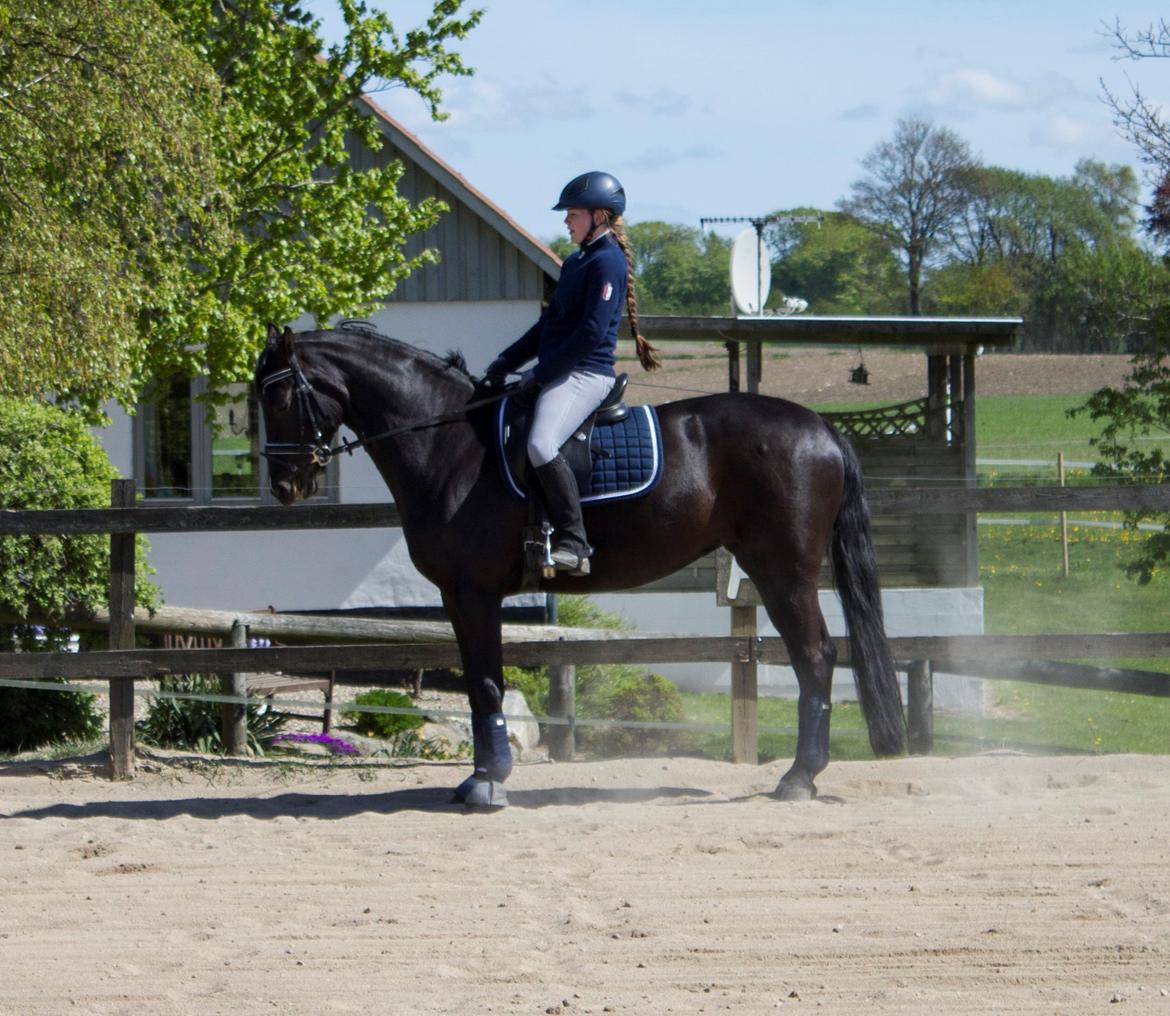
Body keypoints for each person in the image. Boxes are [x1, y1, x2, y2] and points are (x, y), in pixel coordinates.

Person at [485, 170, 660, 575]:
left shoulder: (607, 261)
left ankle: (574, 543)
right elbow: (548, 326)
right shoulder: (578, 261)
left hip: (586, 374)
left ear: (599, 216)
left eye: (573, 214)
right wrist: (506, 362)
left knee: (542, 445)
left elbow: (591, 333)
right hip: (563, 370)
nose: (566, 221)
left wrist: (543, 373)